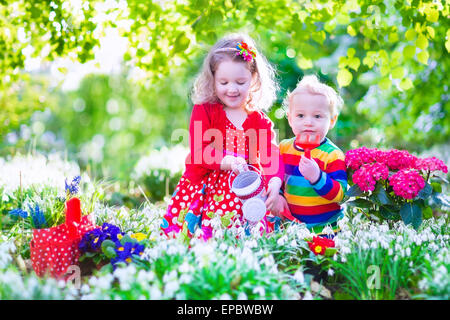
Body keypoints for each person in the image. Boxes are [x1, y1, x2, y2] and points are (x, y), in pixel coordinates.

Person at [161, 33, 284, 242]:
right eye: (224, 82)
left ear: (253, 79)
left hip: (245, 189)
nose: (232, 89)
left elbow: (270, 153)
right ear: (213, 80)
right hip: (207, 188)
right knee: (201, 238)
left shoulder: (258, 120)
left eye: (240, 81)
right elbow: (199, 152)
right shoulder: (205, 110)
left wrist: (275, 180)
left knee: (248, 238)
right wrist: (225, 160)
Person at [272, 75, 347, 236]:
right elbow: (275, 178)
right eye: (300, 116)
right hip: (291, 227)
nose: (308, 122)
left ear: (332, 120)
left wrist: (317, 177)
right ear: (290, 119)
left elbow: (340, 195)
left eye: (317, 116)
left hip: (326, 229)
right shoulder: (284, 148)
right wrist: (278, 195)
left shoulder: (332, 155)